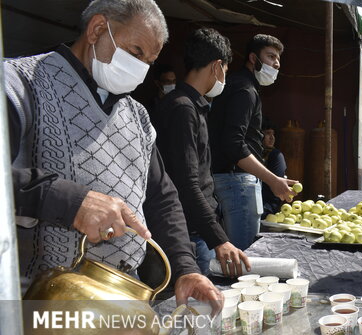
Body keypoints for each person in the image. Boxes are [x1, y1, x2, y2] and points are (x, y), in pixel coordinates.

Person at [5, 0, 222, 309]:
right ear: (96, 30)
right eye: (135, 53)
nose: (141, 68)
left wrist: (185, 268)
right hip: (38, 311)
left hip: (120, 303)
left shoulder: (137, 116)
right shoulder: (19, 83)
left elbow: (161, 197)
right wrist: (70, 202)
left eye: (149, 60)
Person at [152, 28, 250, 277]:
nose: (224, 78)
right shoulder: (182, 109)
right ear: (217, 66)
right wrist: (218, 239)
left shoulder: (192, 106)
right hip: (188, 233)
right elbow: (186, 183)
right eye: (225, 71)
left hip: (194, 229)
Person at [208, 34, 296, 250]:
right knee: (245, 254)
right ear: (253, 58)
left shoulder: (240, 85)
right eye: (270, 56)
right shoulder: (245, 90)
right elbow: (234, 143)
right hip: (237, 182)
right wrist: (273, 179)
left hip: (230, 179)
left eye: (278, 58)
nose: (276, 63)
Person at [260, 118, 287, 217]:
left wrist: (267, 210)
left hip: (266, 209)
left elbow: (276, 190)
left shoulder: (275, 155)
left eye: (273, 134)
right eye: (267, 133)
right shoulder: (252, 155)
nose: (272, 138)